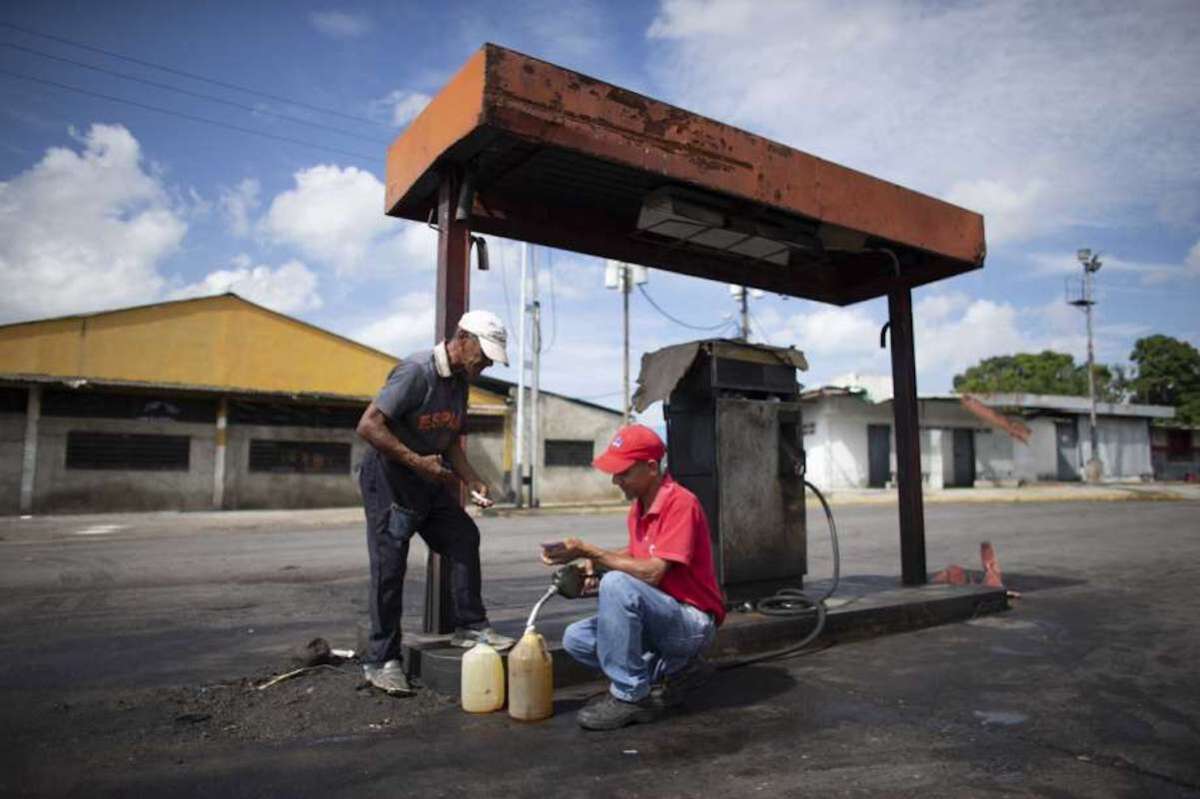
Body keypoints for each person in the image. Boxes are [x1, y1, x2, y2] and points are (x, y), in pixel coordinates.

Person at [355, 310, 515, 696]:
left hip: (428, 476)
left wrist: (471, 478)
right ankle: (381, 661)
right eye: (486, 353)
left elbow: (449, 441)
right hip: (390, 480)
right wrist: (414, 461)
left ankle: (470, 626)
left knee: (462, 537)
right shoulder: (416, 371)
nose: (489, 362)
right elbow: (368, 426)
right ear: (462, 338)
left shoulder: (461, 381)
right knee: (390, 566)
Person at [543, 424, 726, 730]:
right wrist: (593, 565)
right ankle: (678, 671)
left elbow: (653, 571)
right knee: (576, 638)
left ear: (651, 467)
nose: (616, 480)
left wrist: (593, 552)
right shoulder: (639, 508)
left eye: (623, 472)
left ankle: (631, 697)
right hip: (662, 616)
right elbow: (636, 552)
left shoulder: (681, 502)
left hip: (691, 622)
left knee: (617, 583)